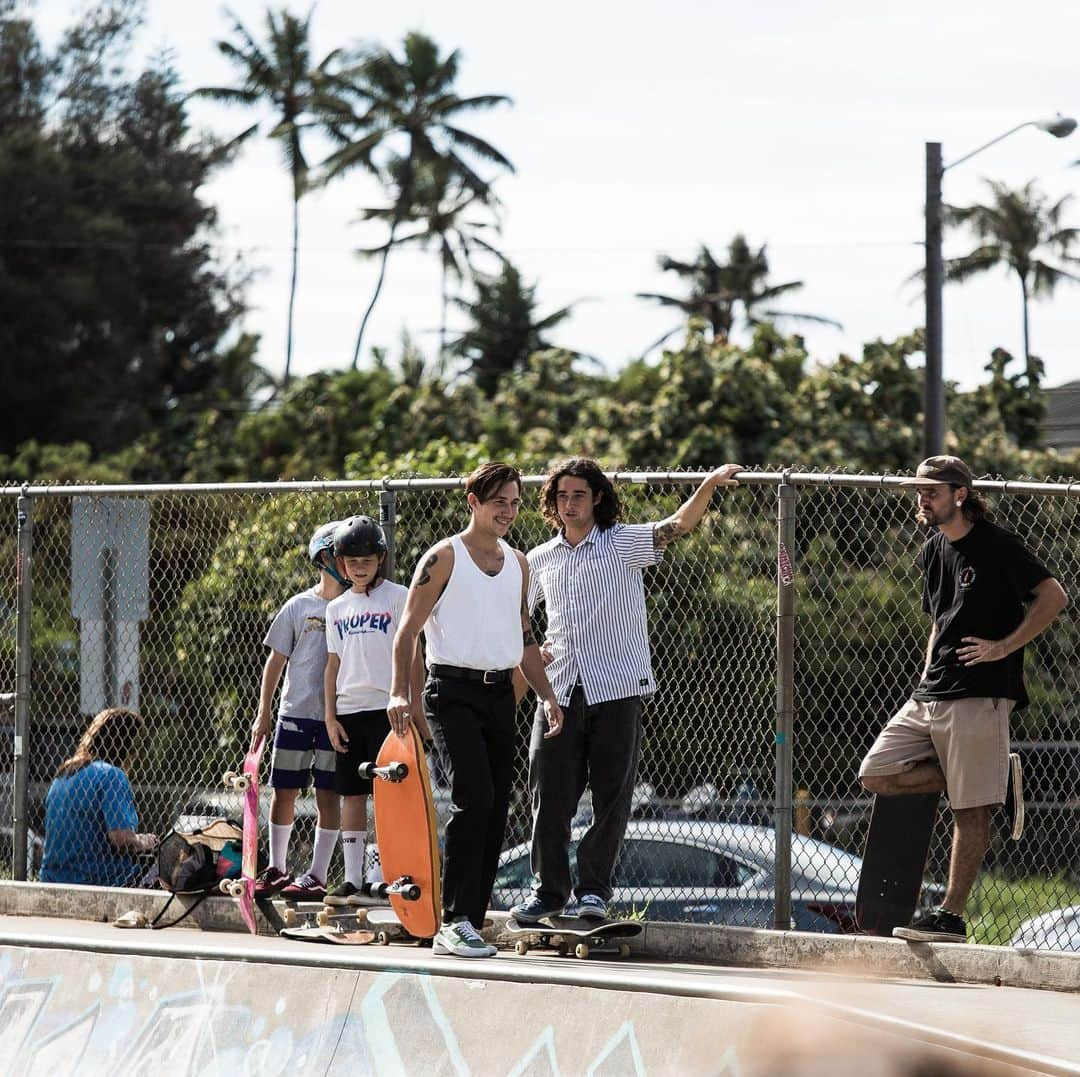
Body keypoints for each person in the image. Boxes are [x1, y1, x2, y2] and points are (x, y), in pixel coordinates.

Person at [511, 458, 743, 923]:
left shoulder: (622, 542)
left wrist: (709, 485)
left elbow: (676, 526)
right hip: (558, 692)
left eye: (579, 494)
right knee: (549, 796)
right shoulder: (538, 559)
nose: (570, 504)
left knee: (611, 796)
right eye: (561, 496)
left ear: (597, 497)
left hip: (617, 686)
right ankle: (549, 892)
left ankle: (595, 891)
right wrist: (535, 658)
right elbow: (515, 617)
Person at [859, 455, 1068, 943]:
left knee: (969, 811)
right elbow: (939, 619)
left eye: (931, 492)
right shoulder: (934, 549)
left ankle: (950, 917)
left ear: (960, 494)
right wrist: (928, 669)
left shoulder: (997, 544)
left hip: (980, 693)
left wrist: (1002, 647)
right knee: (876, 772)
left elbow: (1053, 597)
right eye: (919, 491)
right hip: (932, 692)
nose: (921, 500)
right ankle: (992, 780)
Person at [387, 461, 564, 958]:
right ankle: (453, 921)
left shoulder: (519, 563)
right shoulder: (444, 557)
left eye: (513, 502)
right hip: (451, 693)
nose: (507, 512)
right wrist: (399, 692)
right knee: (474, 797)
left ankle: (473, 915)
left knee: (496, 807)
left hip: (498, 697)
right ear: (474, 504)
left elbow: (525, 640)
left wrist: (548, 696)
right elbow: (407, 632)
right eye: (497, 502)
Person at [322, 515, 429, 906]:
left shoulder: (399, 596)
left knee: (388, 795)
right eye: (351, 561)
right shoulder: (336, 609)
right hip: (350, 709)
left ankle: (380, 876)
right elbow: (332, 664)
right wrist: (330, 717)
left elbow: (413, 653)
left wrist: (415, 704)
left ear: (381, 558)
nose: (359, 566)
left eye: (367, 558)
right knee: (352, 795)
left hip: (389, 709)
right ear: (340, 563)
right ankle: (352, 878)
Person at [251, 521, 349, 901]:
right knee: (284, 790)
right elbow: (276, 661)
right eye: (341, 555)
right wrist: (264, 711)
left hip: (336, 717)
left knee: (328, 793)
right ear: (324, 558)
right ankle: (277, 867)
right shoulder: (299, 605)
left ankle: (317, 874)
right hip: (295, 712)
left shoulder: (354, 606)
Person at [41, 707, 157, 887]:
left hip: (53, 879)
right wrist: (145, 841)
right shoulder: (112, 775)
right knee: (167, 866)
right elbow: (121, 839)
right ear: (125, 745)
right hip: (100, 878)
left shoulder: (64, 774)